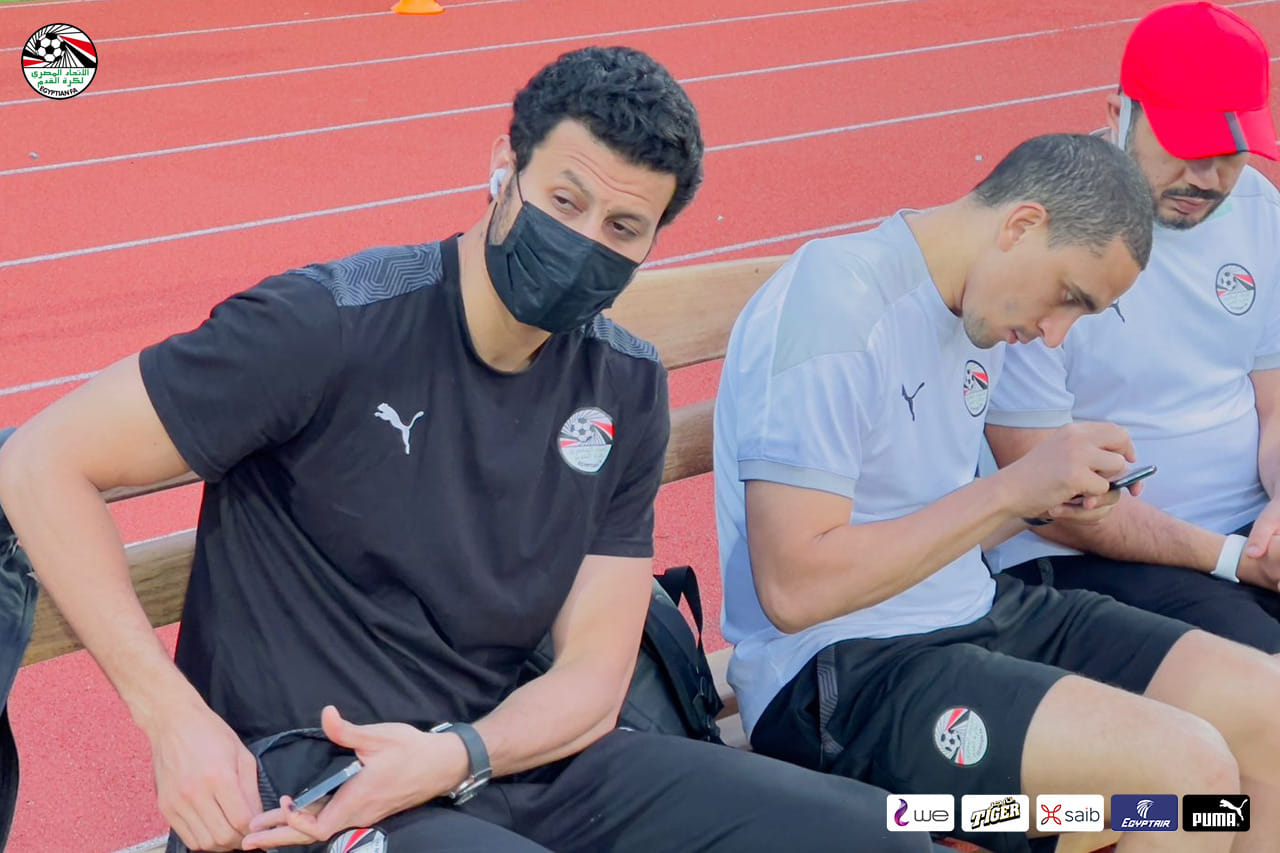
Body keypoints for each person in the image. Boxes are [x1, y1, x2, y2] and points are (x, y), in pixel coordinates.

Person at [0, 47, 932, 853]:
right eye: (564, 199)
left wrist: (456, 754)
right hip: (308, 789)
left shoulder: (624, 384)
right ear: (503, 166)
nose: (583, 240)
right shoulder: (327, 324)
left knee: (885, 830)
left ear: (652, 241)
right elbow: (39, 460)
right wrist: (173, 719)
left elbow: (592, 677)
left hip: (492, 758)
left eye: (621, 228)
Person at [715, 131, 1280, 853]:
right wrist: (1012, 491)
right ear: (1022, 225)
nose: (1054, 334)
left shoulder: (978, 307)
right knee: (1182, 785)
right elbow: (794, 591)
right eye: (1067, 297)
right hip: (835, 680)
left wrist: (1049, 500)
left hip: (974, 612)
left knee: (1266, 717)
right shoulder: (835, 303)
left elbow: (935, 510)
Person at [985, 3, 1280, 657]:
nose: (1207, 178)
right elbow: (1049, 494)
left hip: (1248, 536)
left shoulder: (1259, 208)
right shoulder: (1041, 236)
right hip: (1095, 560)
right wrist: (1234, 558)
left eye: (1229, 154)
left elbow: (1274, 402)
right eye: (1186, 147)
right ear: (1118, 114)